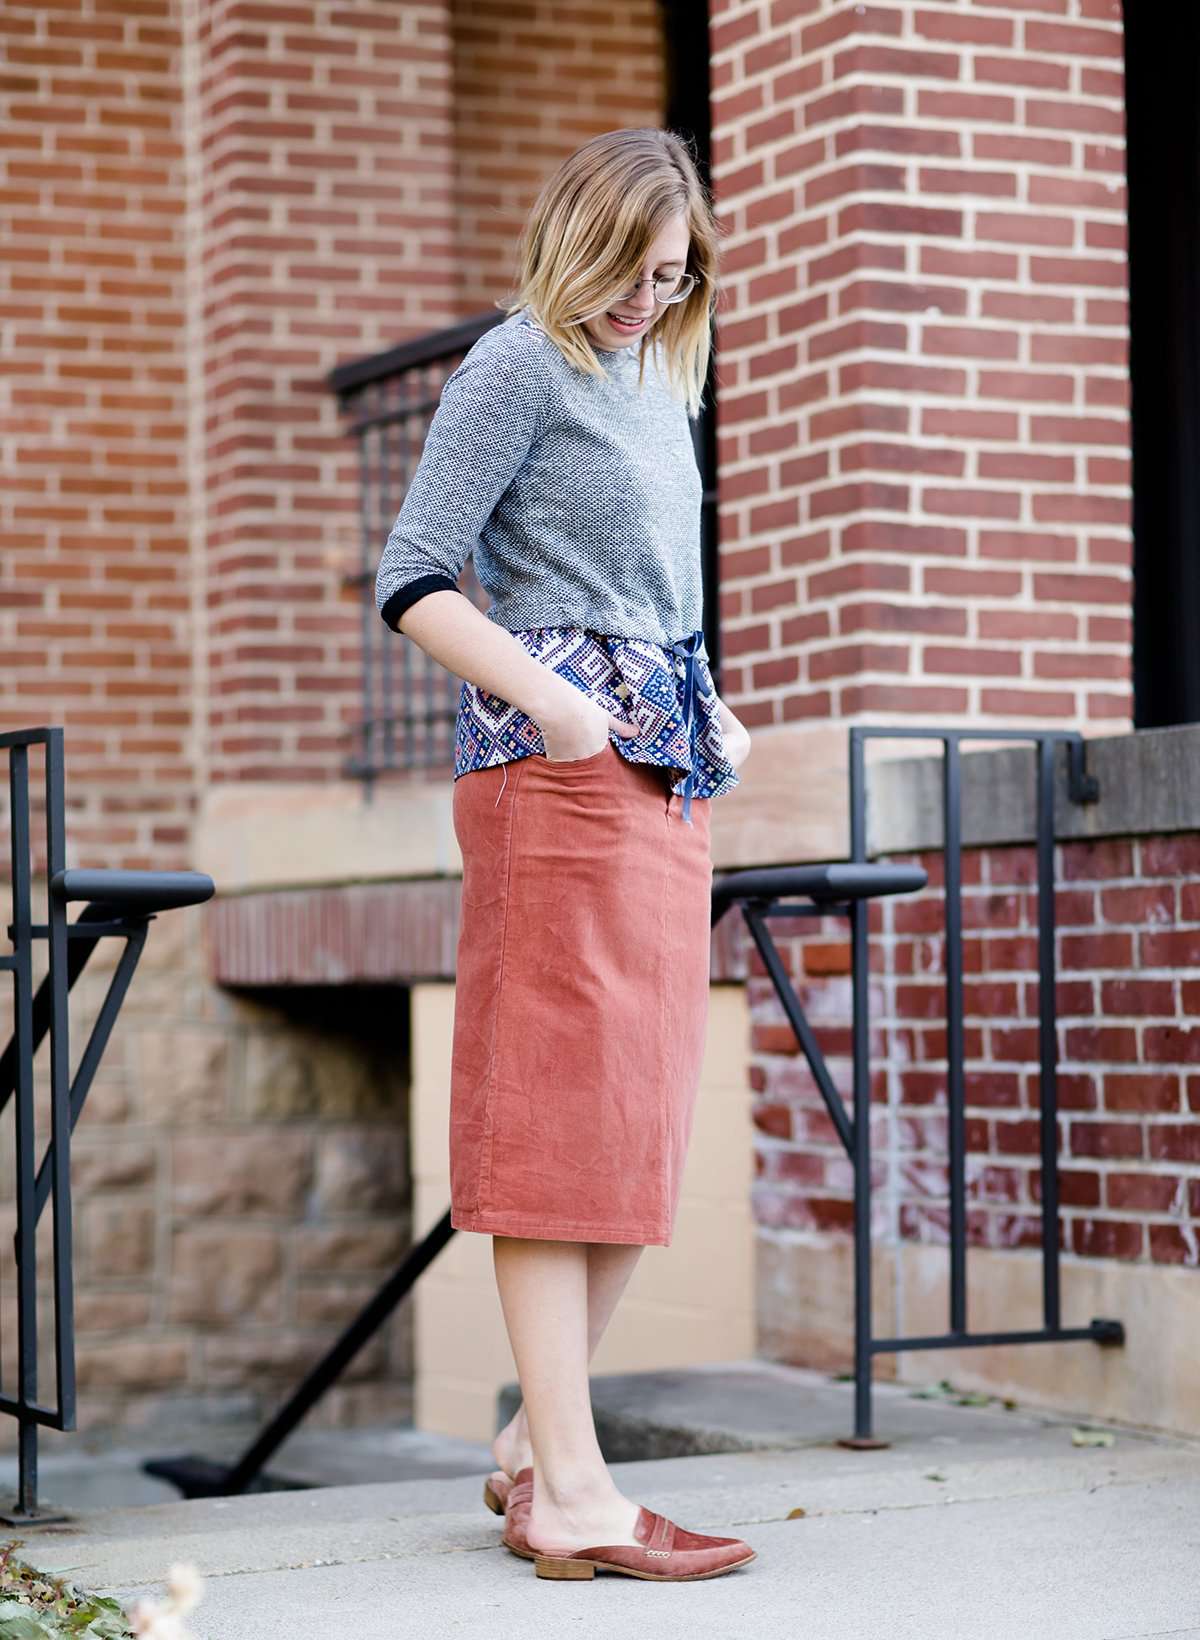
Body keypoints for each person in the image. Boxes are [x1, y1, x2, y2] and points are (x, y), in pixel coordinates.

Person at [375, 127, 755, 1582]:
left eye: (674, 277)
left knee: (636, 1131)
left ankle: (539, 1448)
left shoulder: (664, 379)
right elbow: (414, 572)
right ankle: (578, 1495)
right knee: (551, 1127)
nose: (648, 300)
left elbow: (649, 586)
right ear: (578, 244)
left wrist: (702, 695)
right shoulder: (516, 362)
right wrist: (557, 703)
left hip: (663, 778)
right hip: (555, 780)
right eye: (631, 272)